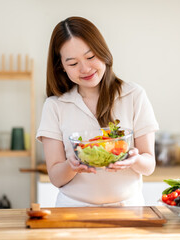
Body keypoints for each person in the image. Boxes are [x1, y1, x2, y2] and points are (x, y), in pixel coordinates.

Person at [36, 16, 159, 207]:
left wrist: (134, 159)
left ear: (103, 52)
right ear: (61, 67)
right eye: (73, 63)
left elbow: (149, 164)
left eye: (90, 57)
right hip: (73, 211)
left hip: (128, 210)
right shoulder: (55, 106)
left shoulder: (134, 95)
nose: (85, 69)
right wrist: (71, 166)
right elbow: (55, 177)